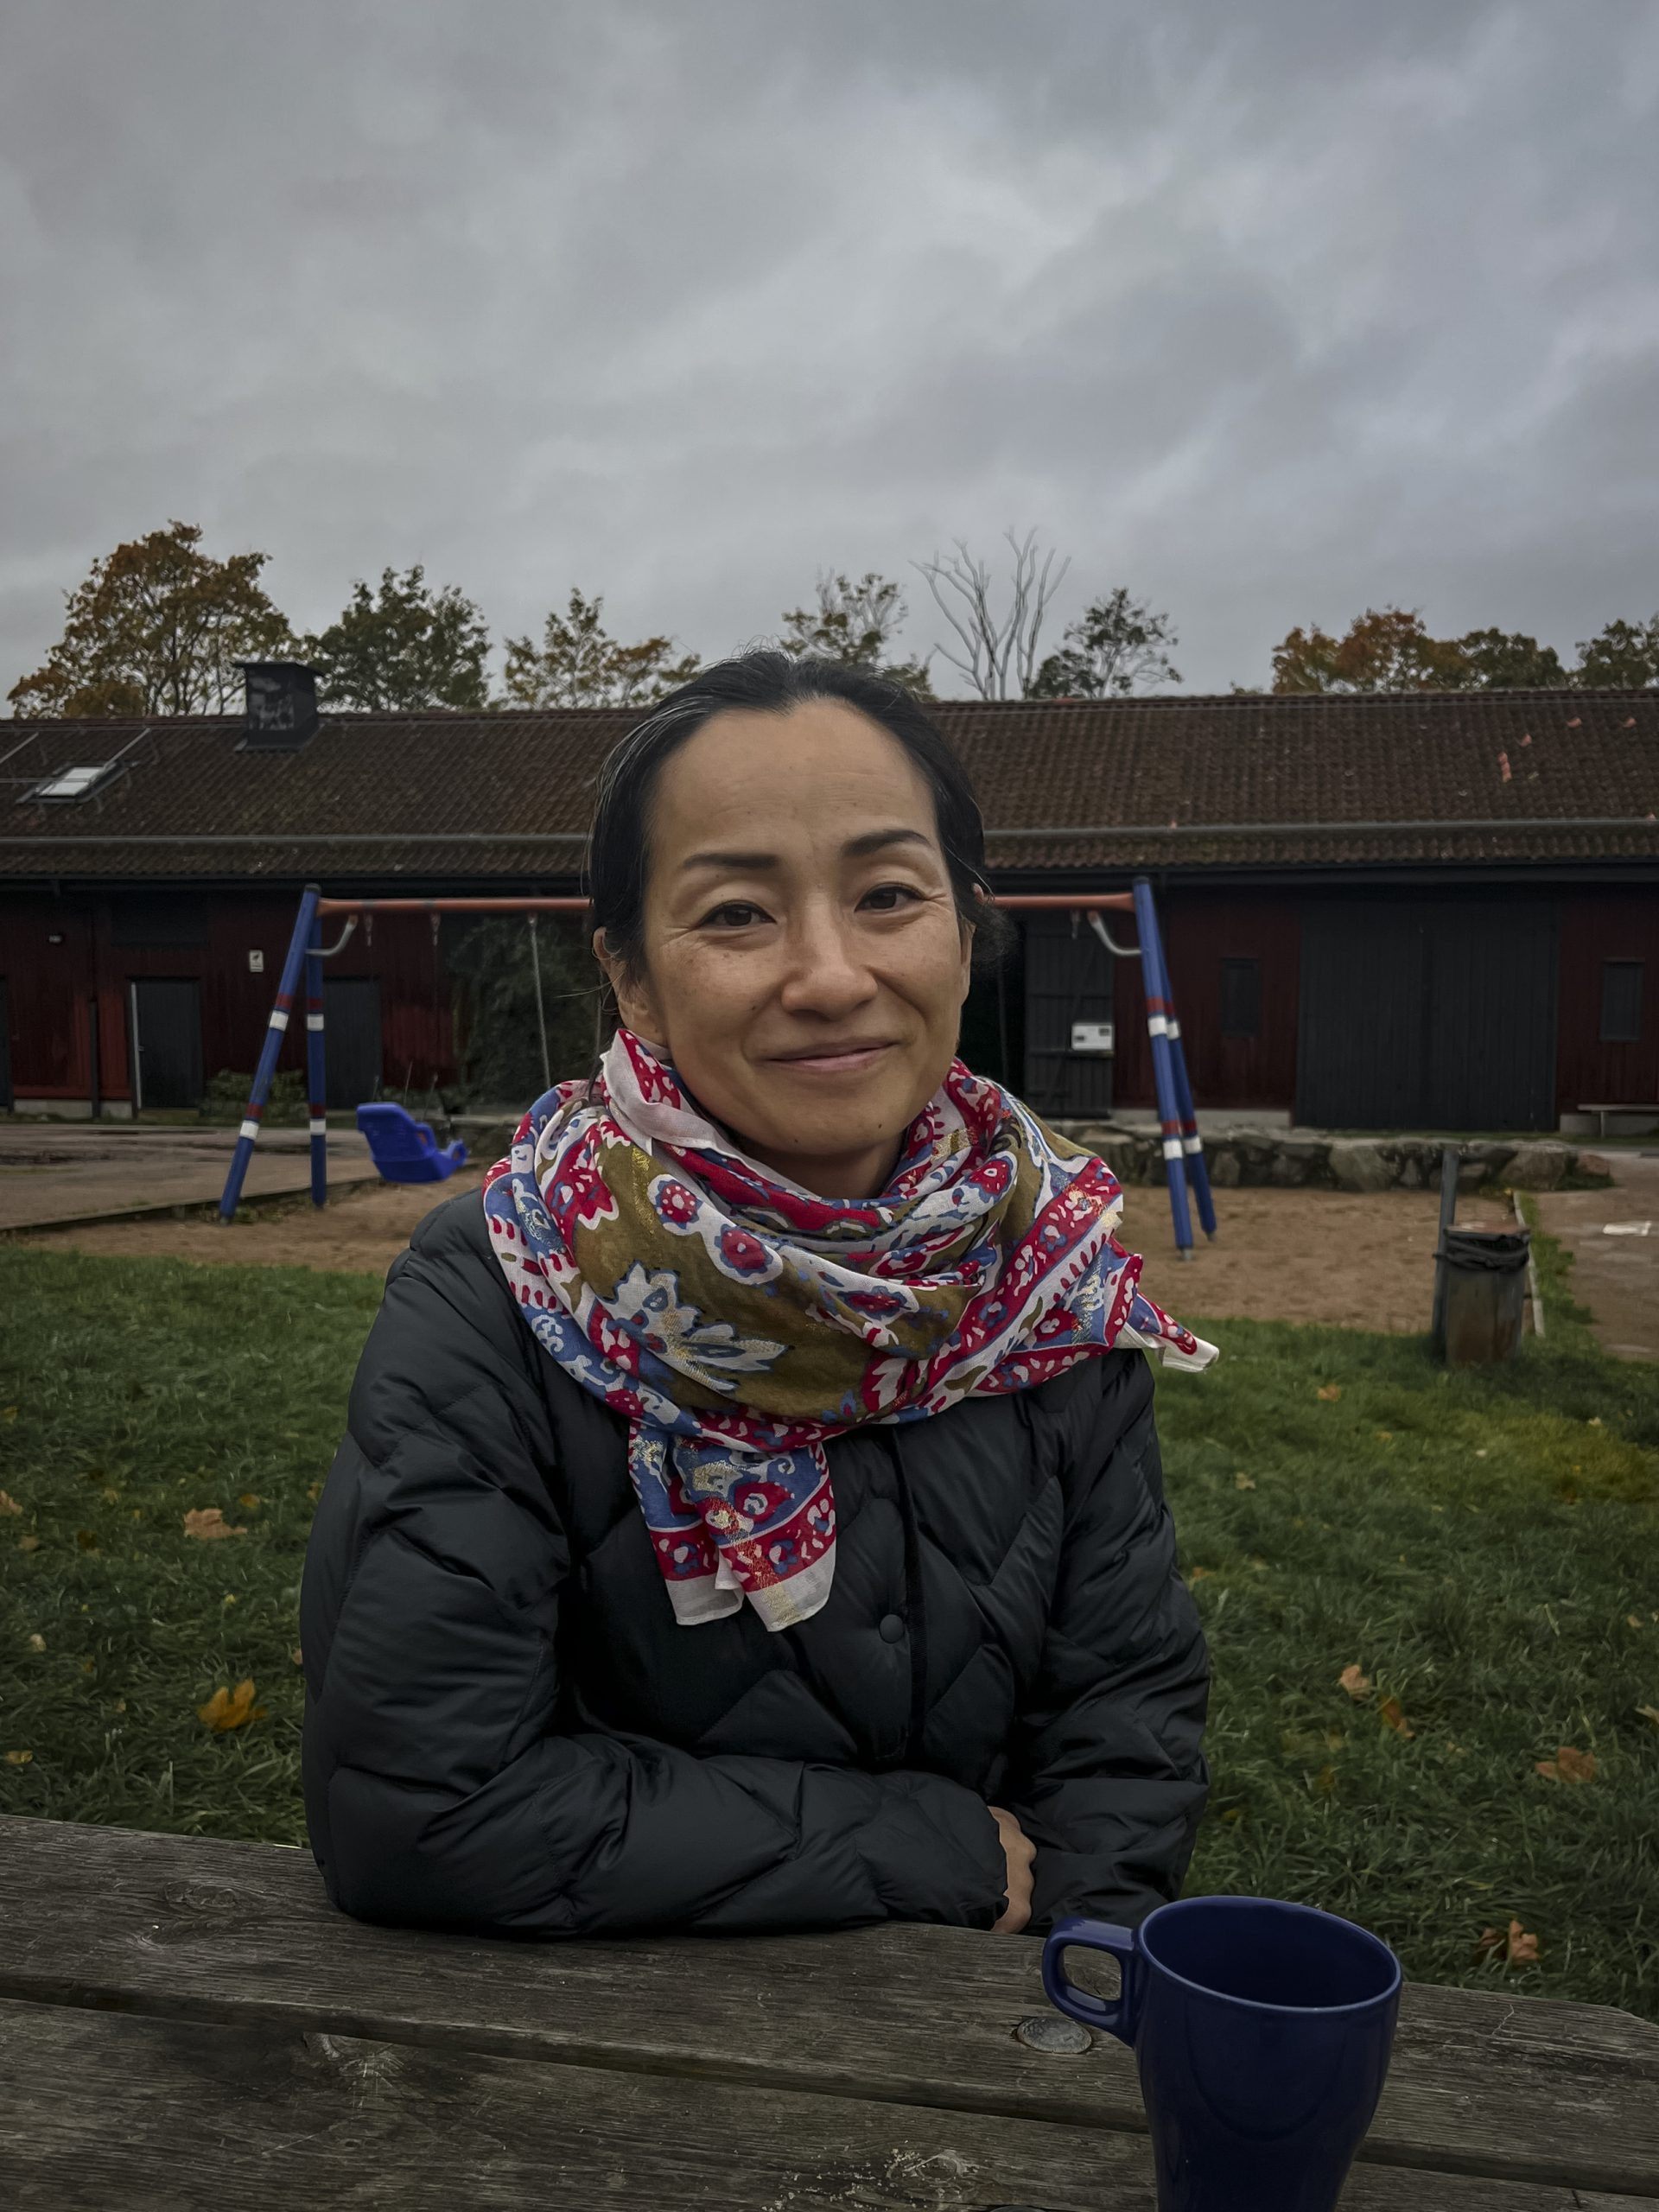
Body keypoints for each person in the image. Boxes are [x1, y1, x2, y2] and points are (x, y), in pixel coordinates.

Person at [299, 650, 1215, 1941]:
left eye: (890, 893)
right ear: (629, 974)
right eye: (738, 914)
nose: (832, 974)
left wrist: (1085, 1969)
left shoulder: (1048, 1279)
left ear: (964, 929)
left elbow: (1126, 1720)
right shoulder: (498, 1293)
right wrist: (924, 1850)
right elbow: (423, 1809)